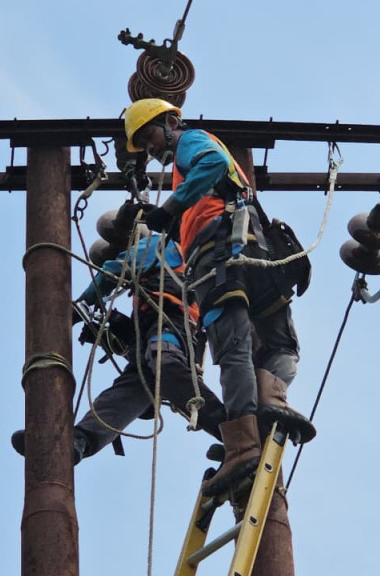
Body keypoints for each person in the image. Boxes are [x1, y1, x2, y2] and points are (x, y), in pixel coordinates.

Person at [123, 98, 316, 496]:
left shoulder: (190, 143)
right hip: (255, 253)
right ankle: (270, 398)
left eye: (150, 137)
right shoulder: (196, 165)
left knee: (232, 349)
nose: (151, 149)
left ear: (171, 123)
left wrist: (171, 207)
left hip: (220, 259)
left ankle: (243, 445)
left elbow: (210, 163)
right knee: (280, 342)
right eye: (142, 146)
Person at [12, 206, 226, 464]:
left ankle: (236, 434)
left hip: (171, 324)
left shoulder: (157, 246)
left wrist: (84, 304)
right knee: (132, 390)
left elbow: (118, 268)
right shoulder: (159, 272)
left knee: (165, 366)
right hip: (157, 331)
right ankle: (80, 439)